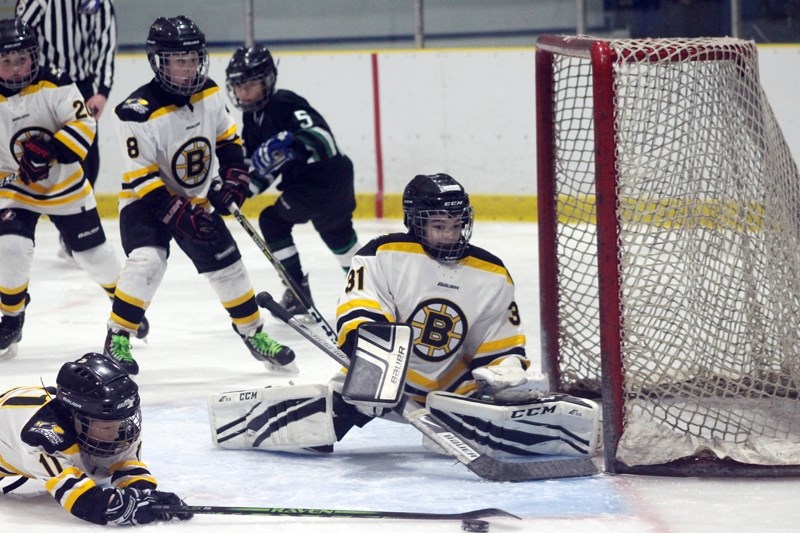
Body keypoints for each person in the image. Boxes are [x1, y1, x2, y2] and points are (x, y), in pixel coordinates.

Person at [208, 174, 602, 458]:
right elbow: (360, 312)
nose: (450, 235)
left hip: (453, 394)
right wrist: (375, 372)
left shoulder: (492, 273)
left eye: (456, 225)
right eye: (438, 226)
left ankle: (471, 419)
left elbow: (500, 344)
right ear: (416, 223)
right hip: (375, 388)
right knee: (315, 436)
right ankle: (263, 410)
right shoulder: (382, 254)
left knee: (516, 414)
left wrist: (504, 372)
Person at [104, 15, 295, 376]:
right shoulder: (135, 112)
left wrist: (236, 180)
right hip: (145, 203)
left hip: (197, 200)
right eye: (180, 61)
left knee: (229, 266)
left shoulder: (208, 91)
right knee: (148, 262)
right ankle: (118, 336)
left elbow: (228, 141)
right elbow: (143, 180)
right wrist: (178, 213)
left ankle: (253, 333)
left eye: (193, 59)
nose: (189, 68)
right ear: (160, 63)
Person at [0, 17, 137, 361]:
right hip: (14, 188)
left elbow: (83, 123)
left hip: (66, 186)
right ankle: (12, 317)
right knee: (10, 247)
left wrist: (51, 151)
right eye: (6, 61)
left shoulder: (57, 82)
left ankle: (125, 306)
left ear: (35, 55)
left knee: (95, 257)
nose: (16, 68)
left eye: (22, 59)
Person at [224, 44, 361, 316]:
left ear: (267, 81)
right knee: (338, 236)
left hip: (322, 178)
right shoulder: (251, 118)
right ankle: (371, 289)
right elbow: (263, 167)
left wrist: (292, 145)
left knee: (273, 221)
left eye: (249, 85)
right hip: (321, 181)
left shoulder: (284, 103)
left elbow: (322, 139)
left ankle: (297, 289)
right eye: (238, 86)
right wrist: (239, 191)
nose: (242, 93)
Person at [0, 352, 192, 525]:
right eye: (108, 426)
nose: (117, 433)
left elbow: (125, 463)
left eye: (121, 422)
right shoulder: (44, 435)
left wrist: (147, 493)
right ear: (76, 417)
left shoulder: (112, 422)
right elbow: (82, 500)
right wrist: (115, 505)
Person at [16, 0, 117, 258]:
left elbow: (105, 42)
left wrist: (102, 91)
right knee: (31, 154)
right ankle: (20, 229)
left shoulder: (96, 2)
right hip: (41, 86)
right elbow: (19, 33)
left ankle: (73, 231)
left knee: (88, 158)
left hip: (81, 86)